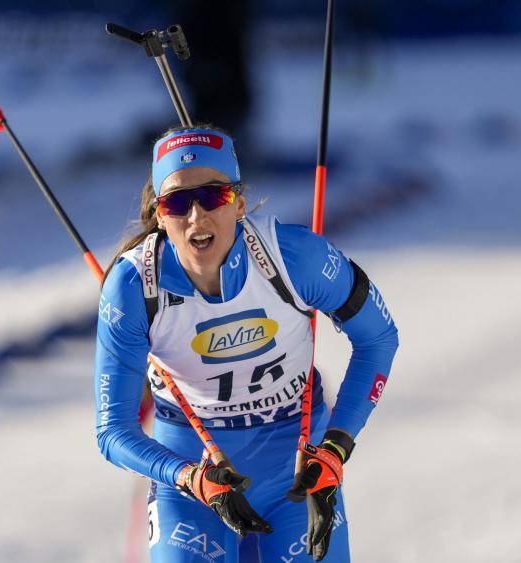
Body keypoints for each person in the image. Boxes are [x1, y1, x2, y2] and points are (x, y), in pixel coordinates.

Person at [95, 125, 398, 562]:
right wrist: (188, 477)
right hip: (194, 483)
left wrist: (335, 447)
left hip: (296, 474)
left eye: (213, 196)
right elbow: (112, 431)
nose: (197, 217)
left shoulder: (294, 258)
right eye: (178, 202)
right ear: (160, 214)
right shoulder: (133, 286)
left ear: (237, 202)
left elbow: (379, 339)